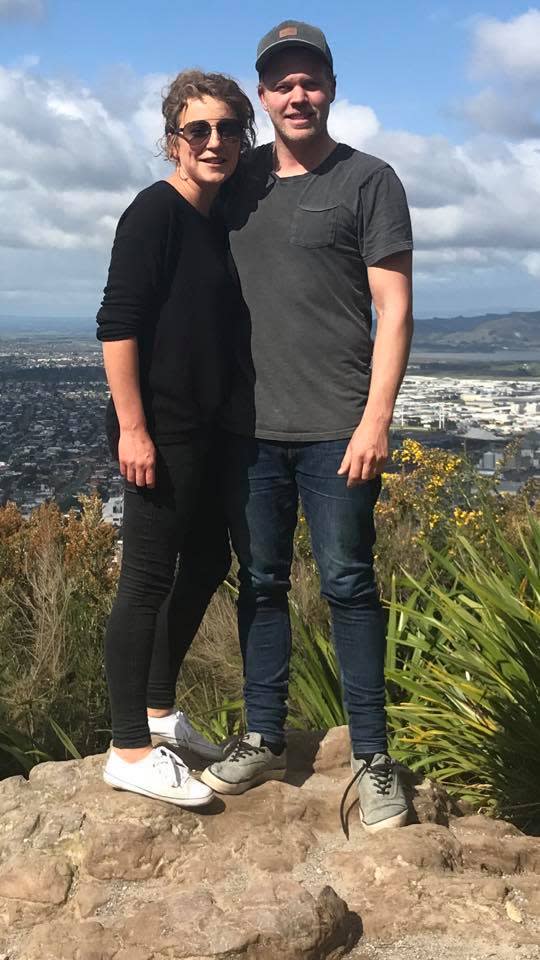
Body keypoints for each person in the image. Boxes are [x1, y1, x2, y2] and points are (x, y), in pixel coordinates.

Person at [200, 22, 414, 833]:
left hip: (338, 428)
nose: (297, 96)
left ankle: (372, 755)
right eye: (281, 84)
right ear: (262, 96)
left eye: (309, 81)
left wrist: (376, 420)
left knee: (349, 585)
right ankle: (263, 734)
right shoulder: (237, 179)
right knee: (257, 584)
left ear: (330, 86)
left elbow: (393, 308)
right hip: (247, 430)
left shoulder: (369, 180)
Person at [96, 70, 255, 807]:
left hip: (209, 426)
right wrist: (134, 429)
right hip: (159, 426)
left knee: (208, 560)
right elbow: (118, 325)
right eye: (199, 129)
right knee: (145, 581)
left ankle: (159, 711)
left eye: (228, 128)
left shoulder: (219, 217)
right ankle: (128, 746)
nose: (215, 141)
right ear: (173, 140)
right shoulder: (154, 213)